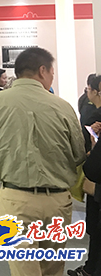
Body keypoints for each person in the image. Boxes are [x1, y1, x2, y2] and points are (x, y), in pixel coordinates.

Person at [0, 47, 86, 276]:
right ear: (42, 70)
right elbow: (78, 154)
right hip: (58, 201)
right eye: (52, 72)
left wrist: (3, 160)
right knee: (53, 268)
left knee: (24, 269)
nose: (52, 77)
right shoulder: (63, 106)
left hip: (16, 198)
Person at [69, 74, 101, 276]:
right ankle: (90, 268)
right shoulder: (90, 109)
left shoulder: (92, 112)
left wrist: (92, 150)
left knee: (96, 229)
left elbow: (93, 167)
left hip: (97, 184)